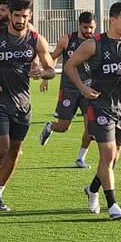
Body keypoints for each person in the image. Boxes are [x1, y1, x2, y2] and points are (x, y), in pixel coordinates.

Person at [65, 1, 121, 220]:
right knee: (108, 154)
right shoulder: (94, 44)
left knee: (113, 158)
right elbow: (69, 65)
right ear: (112, 20)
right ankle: (112, 204)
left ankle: (92, 188)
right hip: (100, 106)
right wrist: (82, 87)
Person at [0, 0, 55, 212]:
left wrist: (42, 73)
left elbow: (51, 69)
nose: (21, 20)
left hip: (22, 103)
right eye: (17, 15)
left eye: (25, 16)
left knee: (15, 151)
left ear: (30, 15)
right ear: (9, 14)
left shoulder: (36, 39)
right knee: (1, 149)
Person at [39, 11, 97, 168]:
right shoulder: (67, 40)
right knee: (63, 126)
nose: (88, 31)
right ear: (79, 25)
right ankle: (49, 126)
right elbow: (53, 57)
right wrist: (46, 78)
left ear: (95, 26)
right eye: (85, 27)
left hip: (88, 89)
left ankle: (80, 158)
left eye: (91, 27)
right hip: (68, 89)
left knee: (90, 127)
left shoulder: (97, 42)